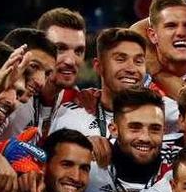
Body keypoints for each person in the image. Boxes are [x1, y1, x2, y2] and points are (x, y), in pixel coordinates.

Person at [50, 28, 179, 147]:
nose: (131, 69)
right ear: (98, 66)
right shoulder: (70, 116)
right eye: (121, 59)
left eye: (138, 61)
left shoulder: (165, 111)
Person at [0, 9, 87, 141]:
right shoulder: (10, 97)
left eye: (79, 51)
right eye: (60, 49)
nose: (71, 61)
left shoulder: (77, 99)